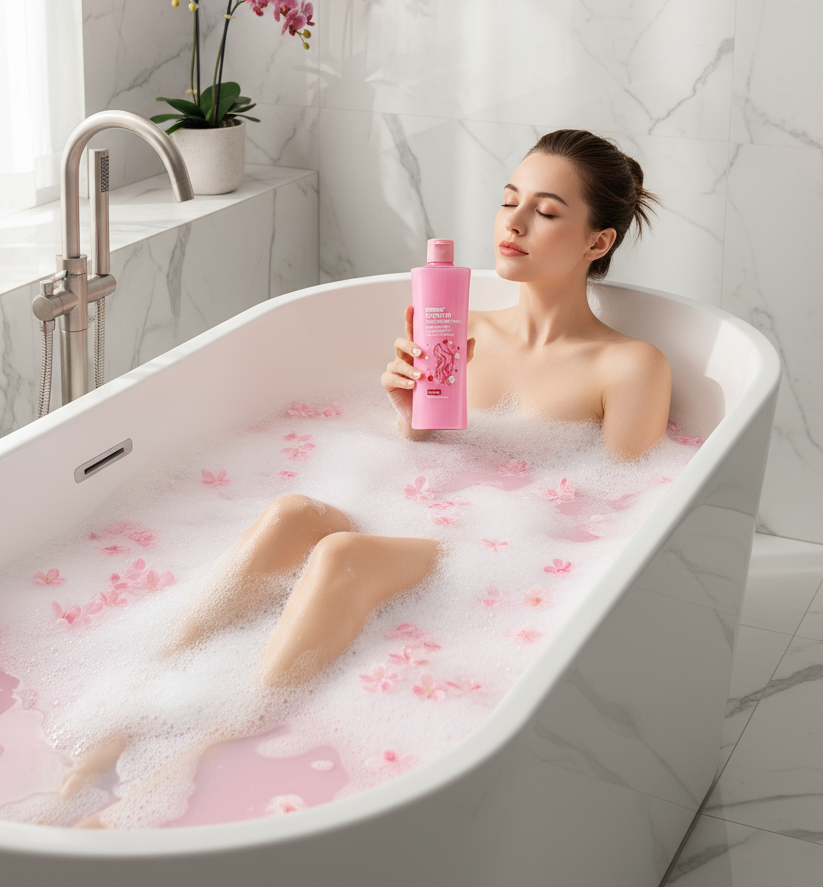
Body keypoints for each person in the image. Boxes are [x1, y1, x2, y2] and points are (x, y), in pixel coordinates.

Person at [67, 130, 671, 827]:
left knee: (343, 554)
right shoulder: (460, 325)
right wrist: (407, 413)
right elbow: (425, 452)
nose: (513, 223)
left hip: (508, 554)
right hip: (432, 513)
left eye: (547, 210)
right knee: (294, 514)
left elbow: (632, 514)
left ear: (598, 241)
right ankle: (123, 718)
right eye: (509, 201)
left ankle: (199, 756)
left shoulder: (629, 367)